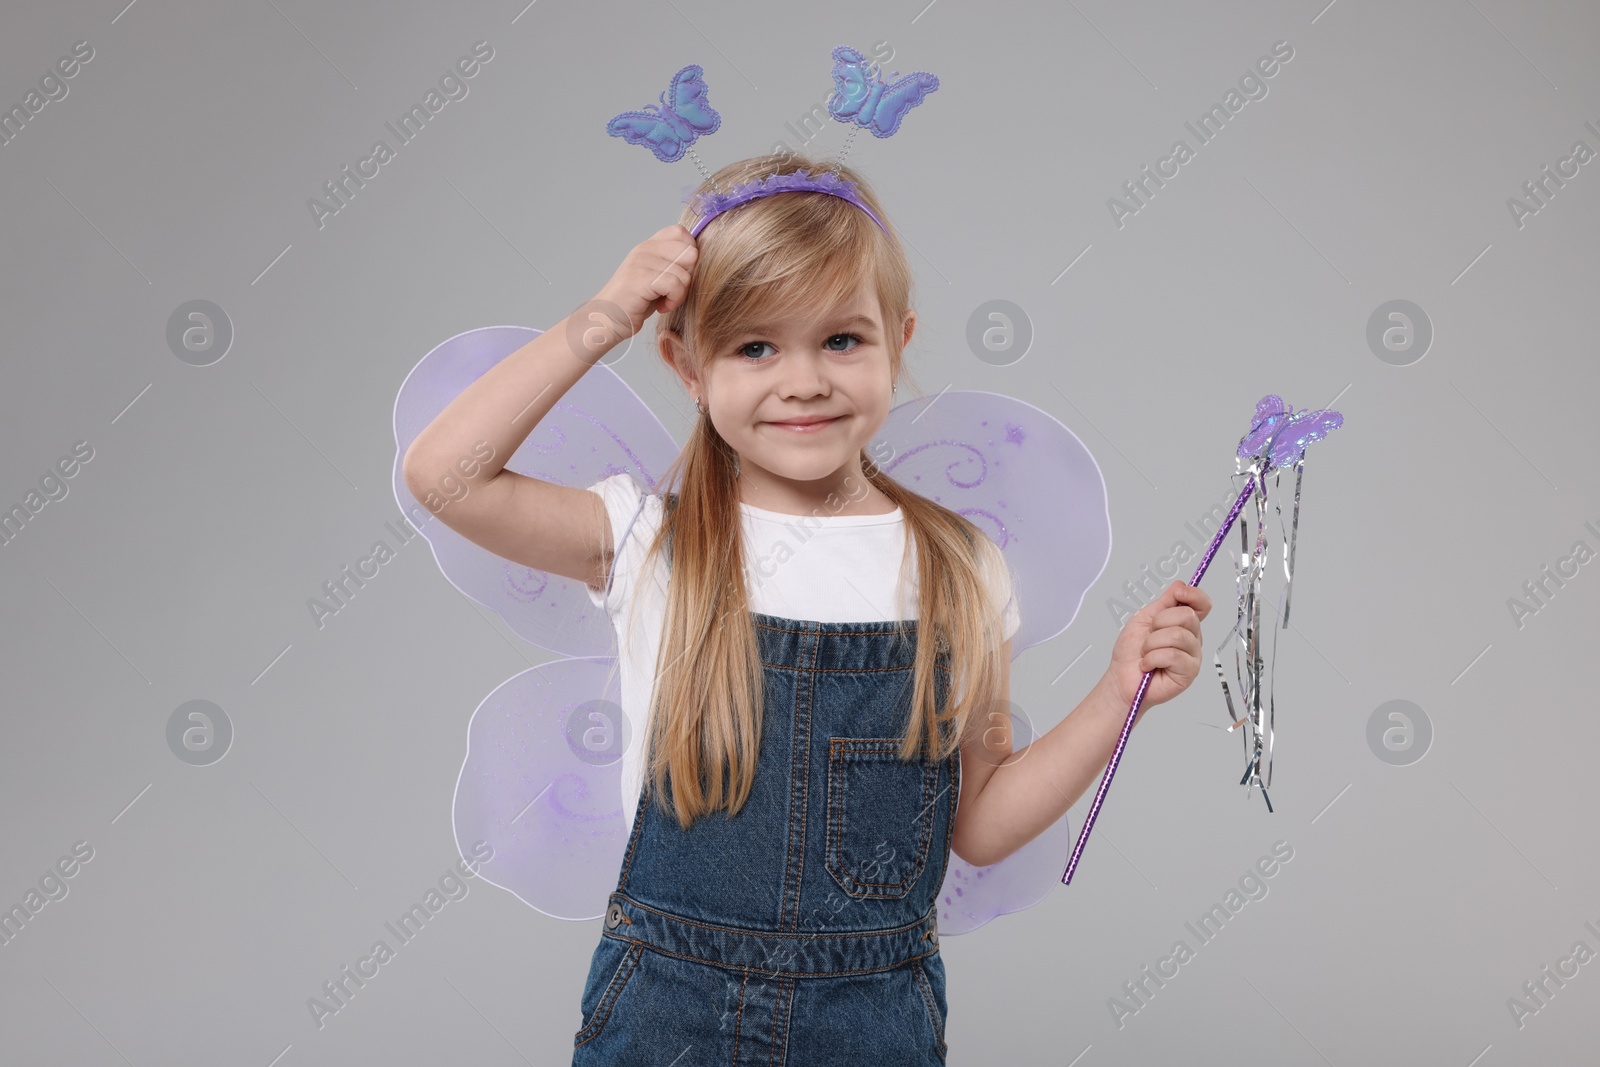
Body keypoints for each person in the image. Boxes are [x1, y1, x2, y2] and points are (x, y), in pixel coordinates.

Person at [402, 152, 1211, 1064]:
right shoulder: (649, 540)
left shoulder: (959, 569)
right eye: (754, 346)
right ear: (686, 364)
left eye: (841, 340)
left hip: (869, 1019)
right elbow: (443, 476)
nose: (804, 380)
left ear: (897, 343)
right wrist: (604, 317)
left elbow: (980, 825)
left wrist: (1116, 693)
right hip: (668, 1004)